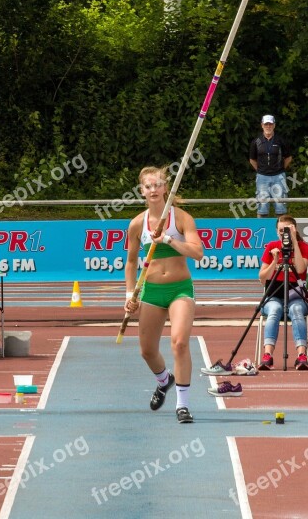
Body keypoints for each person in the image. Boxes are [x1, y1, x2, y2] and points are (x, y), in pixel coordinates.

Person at [124, 166, 203, 423]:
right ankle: (164, 380)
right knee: (147, 351)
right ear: (142, 191)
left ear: (166, 188)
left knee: (179, 342)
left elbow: (197, 252)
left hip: (180, 289)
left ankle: (182, 405)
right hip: (151, 292)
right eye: (148, 186)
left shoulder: (181, 218)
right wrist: (129, 294)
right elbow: (131, 262)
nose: (153, 189)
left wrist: (168, 240)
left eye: (158, 184)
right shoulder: (137, 224)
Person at [258, 214, 308, 371]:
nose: (284, 234)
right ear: (276, 232)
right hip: (274, 295)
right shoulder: (271, 247)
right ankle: (267, 355)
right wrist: (275, 260)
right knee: (275, 309)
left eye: (287, 230)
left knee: (295, 310)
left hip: (296, 296)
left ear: (294, 230)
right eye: (281, 231)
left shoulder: (304, 247)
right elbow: (262, 278)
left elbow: (301, 269)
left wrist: (294, 241)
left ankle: (302, 355)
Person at [249, 114, 292, 218]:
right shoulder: (256, 141)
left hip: (279, 176)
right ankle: (262, 230)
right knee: (262, 207)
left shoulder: (280, 140)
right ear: (262, 125)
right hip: (262, 177)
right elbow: (252, 159)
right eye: (266, 124)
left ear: (274, 125)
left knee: (280, 205)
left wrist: (280, 169)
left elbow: (288, 157)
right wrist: (260, 170)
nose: (268, 126)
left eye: (270, 124)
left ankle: (281, 230)